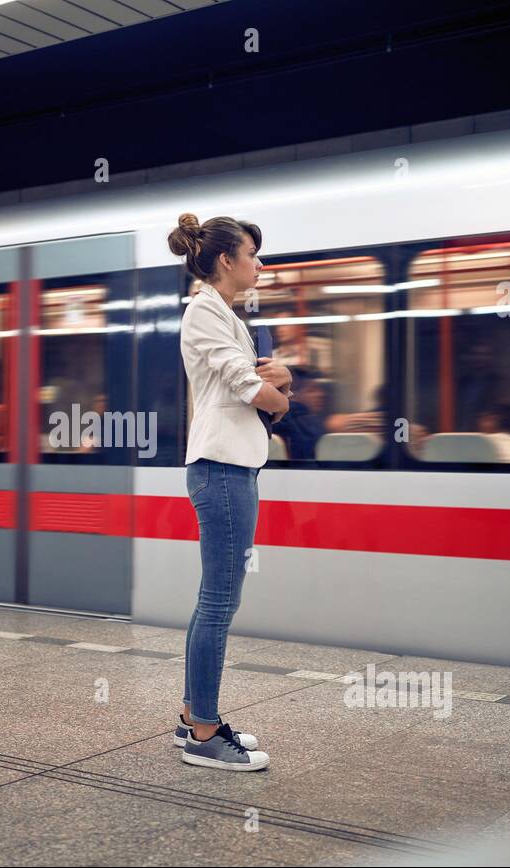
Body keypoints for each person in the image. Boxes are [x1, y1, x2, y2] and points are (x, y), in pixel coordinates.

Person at [170, 213, 292, 772]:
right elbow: (250, 387)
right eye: (252, 254)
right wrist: (280, 395)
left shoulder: (222, 313)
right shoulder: (205, 310)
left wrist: (276, 377)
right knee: (220, 602)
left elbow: (248, 374)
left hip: (231, 467)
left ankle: (195, 714)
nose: (259, 264)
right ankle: (204, 734)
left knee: (212, 600)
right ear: (226, 260)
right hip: (222, 470)